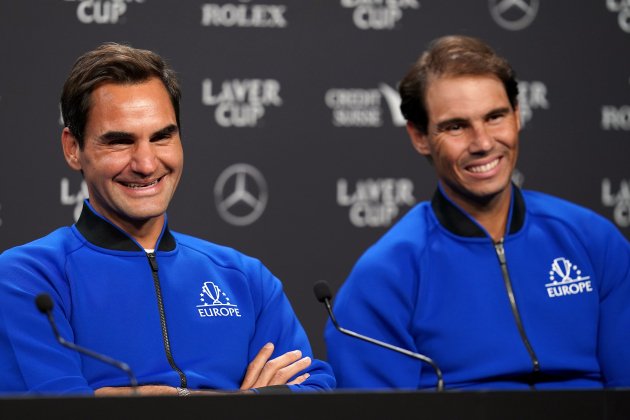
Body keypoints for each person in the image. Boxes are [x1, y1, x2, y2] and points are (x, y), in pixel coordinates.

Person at [0, 42, 335, 396]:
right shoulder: (29, 278)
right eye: (119, 141)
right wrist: (242, 403)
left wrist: (134, 397)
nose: (146, 164)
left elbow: (315, 392)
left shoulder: (245, 278)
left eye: (162, 137)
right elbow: (58, 409)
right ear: (73, 148)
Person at [324, 35, 630, 391]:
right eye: (456, 126)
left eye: (495, 117)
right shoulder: (385, 275)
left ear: (517, 116)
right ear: (420, 137)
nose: (483, 143)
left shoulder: (593, 240)